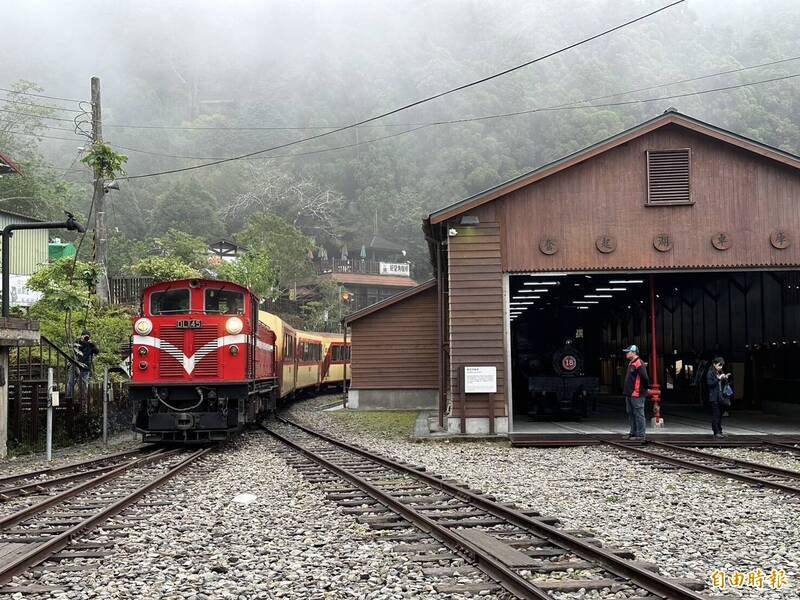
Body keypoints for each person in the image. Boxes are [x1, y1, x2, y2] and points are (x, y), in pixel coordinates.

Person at [622, 344, 650, 441]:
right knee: (631, 413)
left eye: (627, 352)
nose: (626, 353)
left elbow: (645, 378)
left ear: (633, 353)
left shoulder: (639, 363)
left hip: (637, 394)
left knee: (638, 414)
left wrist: (645, 389)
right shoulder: (631, 363)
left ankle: (641, 435)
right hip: (630, 394)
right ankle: (633, 433)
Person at [66, 330, 100, 400]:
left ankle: (83, 401)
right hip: (75, 366)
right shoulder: (77, 343)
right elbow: (73, 353)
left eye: (87, 337)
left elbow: (97, 351)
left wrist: (92, 343)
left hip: (85, 368)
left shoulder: (90, 345)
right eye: (84, 336)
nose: (86, 338)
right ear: (81, 336)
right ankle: (68, 398)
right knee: (71, 383)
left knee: (84, 385)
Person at [706, 357, 730, 439]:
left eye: (722, 365)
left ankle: (720, 431)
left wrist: (725, 378)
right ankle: (716, 432)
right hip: (714, 397)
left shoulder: (719, 372)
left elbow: (722, 384)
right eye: (719, 365)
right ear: (714, 364)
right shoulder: (710, 373)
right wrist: (718, 379)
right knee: (716, 415)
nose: (721, 367)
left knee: (720, 415)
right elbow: (710, 384)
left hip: (721, 397)